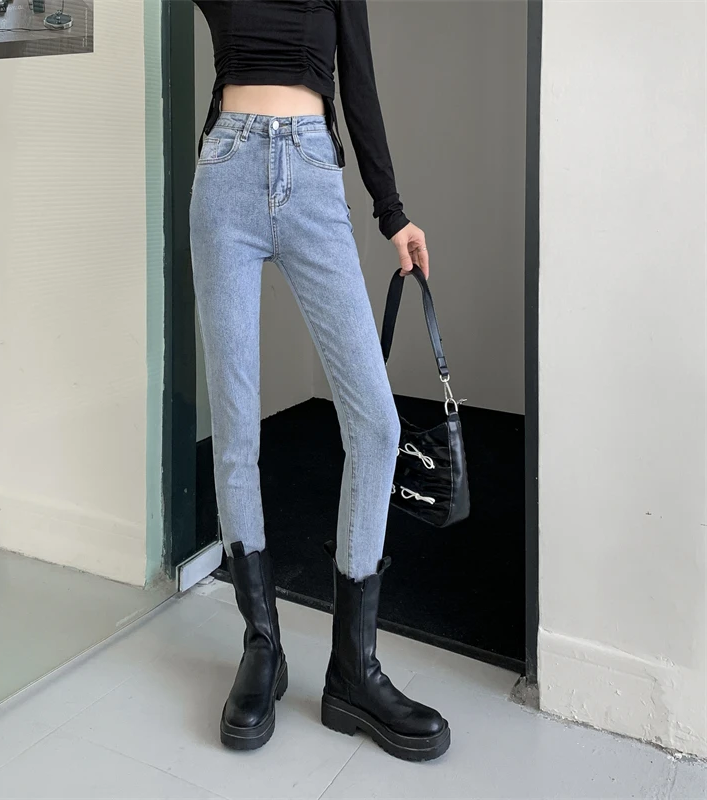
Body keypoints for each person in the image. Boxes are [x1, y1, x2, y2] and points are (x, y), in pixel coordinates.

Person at [190, 0, 450, 762]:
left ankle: (352, 672)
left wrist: (392, 213)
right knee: (236, 428)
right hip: (227, 174)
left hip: (310, 170)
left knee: (375, 423)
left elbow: (358, 81)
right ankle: (262, 645)